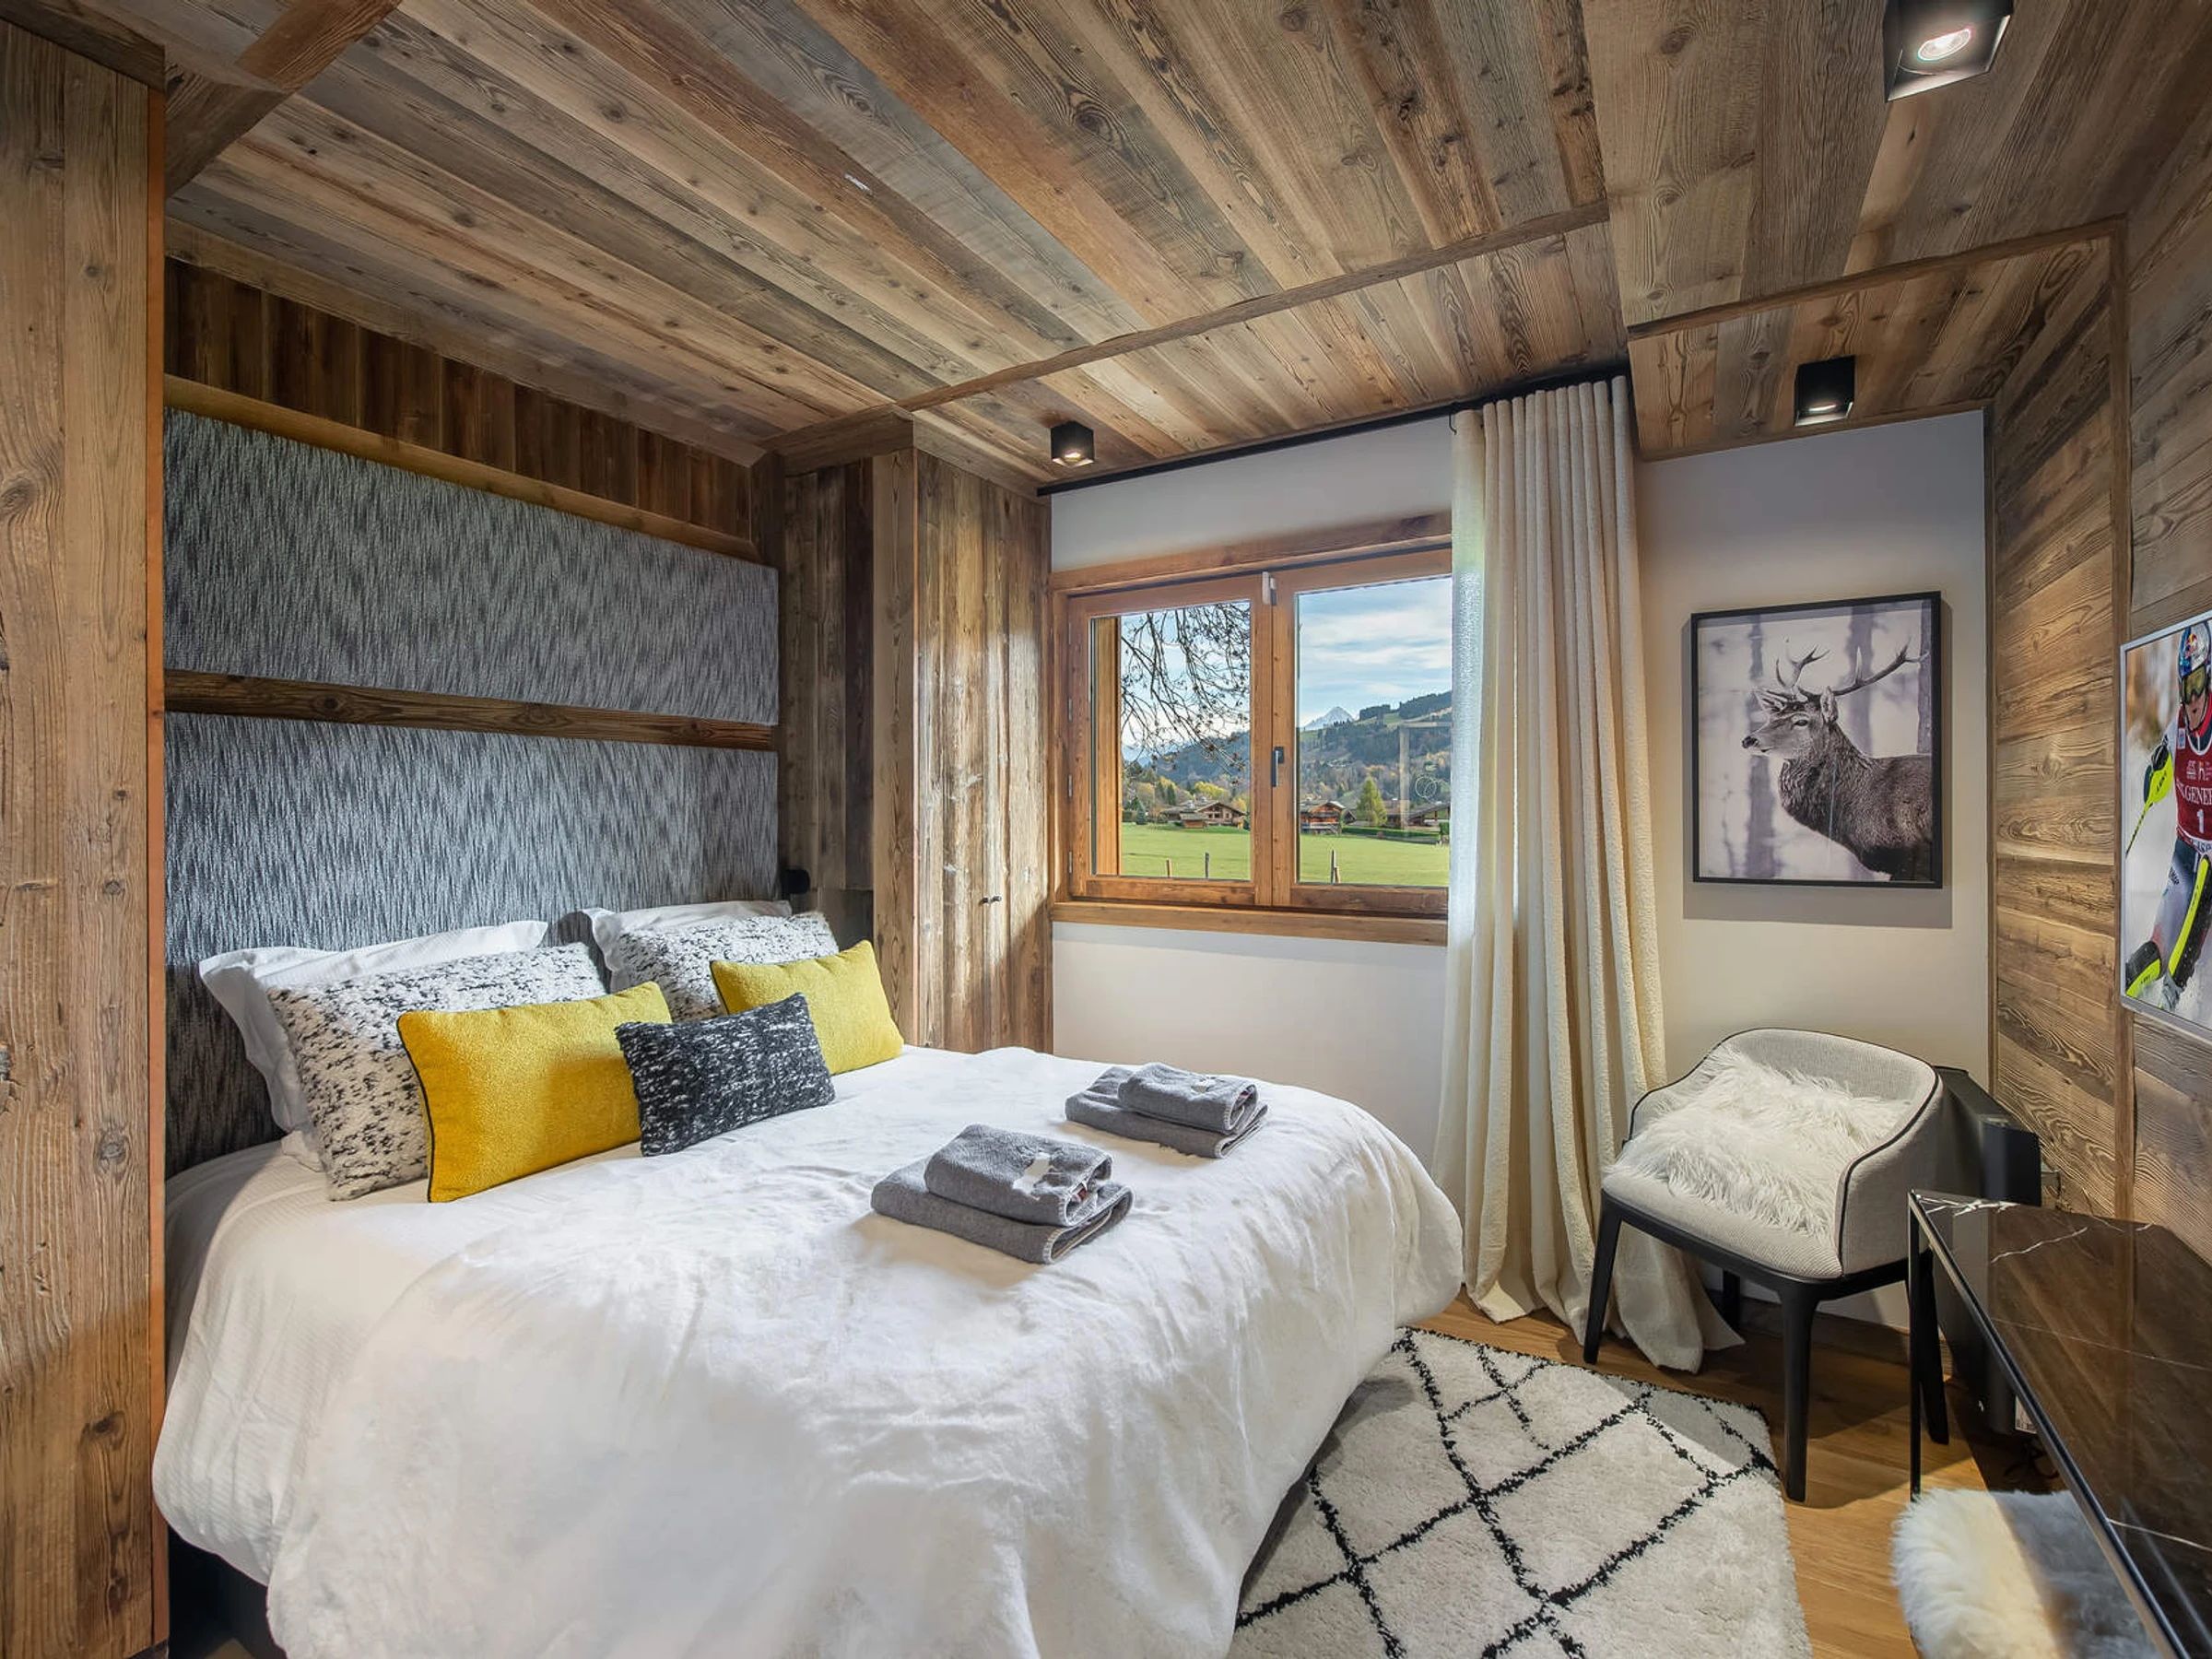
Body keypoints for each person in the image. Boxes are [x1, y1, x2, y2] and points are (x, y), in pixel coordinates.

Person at [2127, 624, 2212, 1012]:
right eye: (2185, 686)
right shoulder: (2178, 728)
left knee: (2188, 947)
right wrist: (2155, 770)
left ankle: (2175, 1007)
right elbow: (2155, 790)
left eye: (2197, 685)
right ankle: (2129, 989)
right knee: (2158, 949)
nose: (2191, 698)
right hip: (2186, 852)